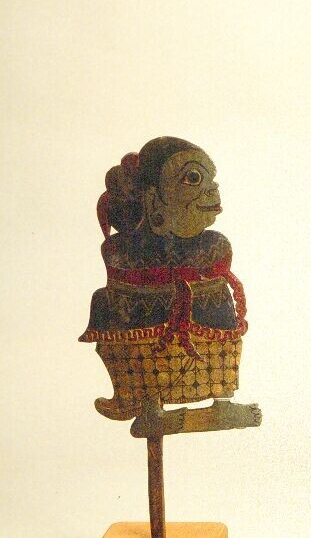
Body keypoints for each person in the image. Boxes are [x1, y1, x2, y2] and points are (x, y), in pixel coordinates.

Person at [80, 137, 260, 435]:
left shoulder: (214, 244)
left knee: (218, 303)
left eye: (210, 179)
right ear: (154, 199)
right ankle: (150, 407)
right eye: (193, 178)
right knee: (113, 308)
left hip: (204, 315)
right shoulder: (122, 248)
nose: (213, 188)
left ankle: (222, 402)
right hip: (147, 320)